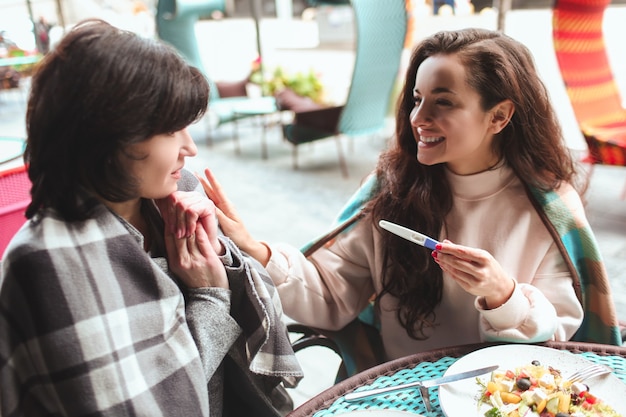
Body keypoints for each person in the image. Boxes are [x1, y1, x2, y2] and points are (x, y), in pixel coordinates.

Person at [200, 28, 622, 373]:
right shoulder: (390, 188)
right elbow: (330, 295)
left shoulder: (549, 207)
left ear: (499, 116)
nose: (418, 118)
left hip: (503, 394)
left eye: (444, 102)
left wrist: (503, 295)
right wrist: (257, 251)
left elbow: (560, 336)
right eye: (417, 99)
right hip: (401, 391)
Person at [0, 19, 301, 417]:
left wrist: (221, 257)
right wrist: (210, 297)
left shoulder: (172, 197)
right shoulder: (46, 265)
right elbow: (151, 406)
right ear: (108, 135)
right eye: (172, 130)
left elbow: (251, 306)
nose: (189, 148)